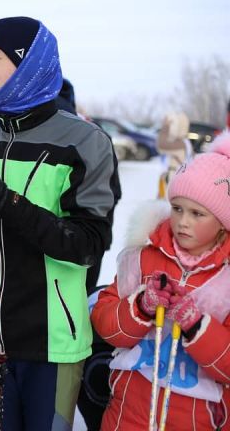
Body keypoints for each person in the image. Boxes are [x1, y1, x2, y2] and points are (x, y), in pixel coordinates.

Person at [0, 16, 120, 430]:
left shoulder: (84, 143)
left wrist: (5, 201)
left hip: (51, 341)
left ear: (29, 63)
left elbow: (86, 244)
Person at [91, 133, 230, 430]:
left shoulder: (226, 280)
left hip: (194, 419)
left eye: (197, 214)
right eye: (177, 208)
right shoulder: (144, 256)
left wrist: (196, 325)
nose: (183, 222)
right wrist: (140, 306)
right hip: (127, 412)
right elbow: (105, 324)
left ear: (222, 223)